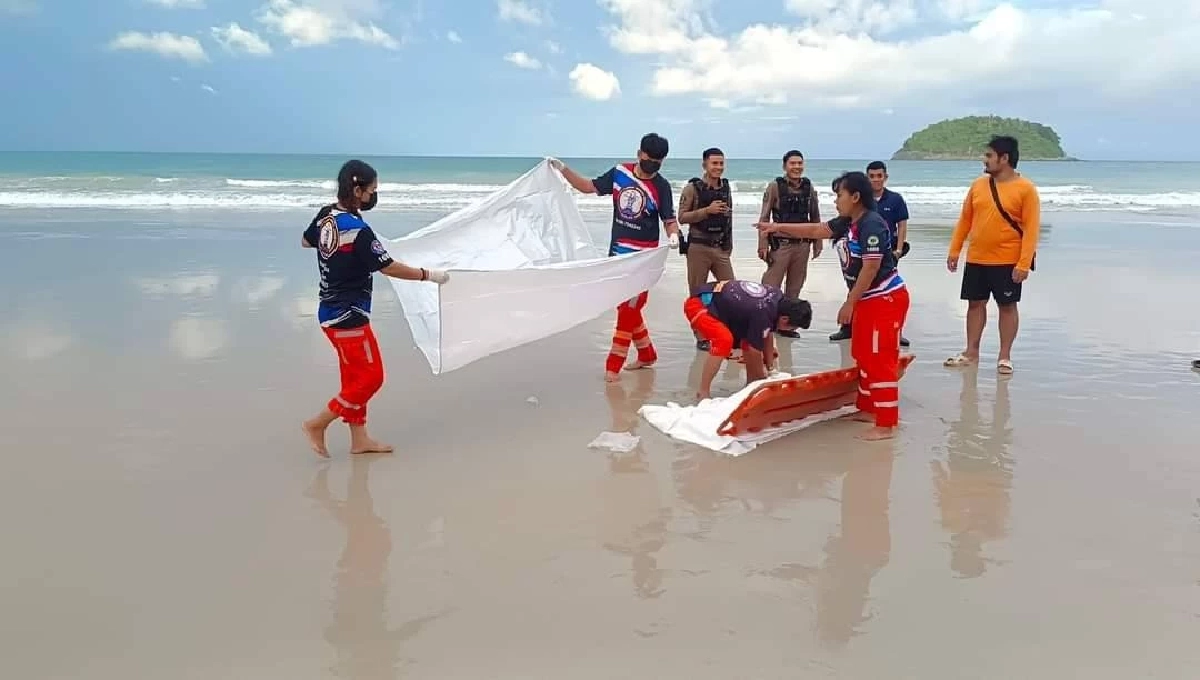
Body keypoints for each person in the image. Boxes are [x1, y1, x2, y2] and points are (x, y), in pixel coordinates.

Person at [300, 159, 449, 458]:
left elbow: (307, 241)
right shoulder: (358, 230)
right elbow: (388, 267)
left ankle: (360, 439)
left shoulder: (326, 215)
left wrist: (337, 254)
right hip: (348, 316)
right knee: (371, 378)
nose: (374, 196)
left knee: (354, 379)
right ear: (358, 190)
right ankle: (317, 424)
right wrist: (428, 275)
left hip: (328, 311)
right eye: (372, 190)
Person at [755, 171, 910, 441]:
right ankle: (867, 408)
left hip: (885, 299)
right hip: (867, 299)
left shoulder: (872, 224)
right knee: (862, 353)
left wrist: (849, 303)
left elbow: (871, 268)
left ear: (855, 197)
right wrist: (776, 228)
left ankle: (886, 423)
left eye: (839, 195)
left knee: (879, 358)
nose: (836, 201)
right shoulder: (848, 222)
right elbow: (817, 230)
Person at [551, 133, 681, 382]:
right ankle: (647, 354)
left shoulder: (661, 186)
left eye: (658, 161)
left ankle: (613, 365)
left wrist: (673, 235)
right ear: (639, 154)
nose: (653, 164)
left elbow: (669, 220)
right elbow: (588, 187)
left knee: (629, 310)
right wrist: (563, 169)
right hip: (618, 255)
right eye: (649, 159)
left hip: (644, 260)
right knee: (625, 306)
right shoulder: (620, 173)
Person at [944, 135, 1041, 375]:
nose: (984, 160)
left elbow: (1031, 229)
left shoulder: (1026, 189)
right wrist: (955, 250)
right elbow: (965, 219)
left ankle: (1004, 356)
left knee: (1007, 306)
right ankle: (971, 352)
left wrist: (1024, 263)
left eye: (989, 155)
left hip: (1007, 260)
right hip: (977, 257)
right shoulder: (978, 185)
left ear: (1004, 158)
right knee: (974, 304)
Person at [685, 279, 813, 401]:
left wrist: (771, 370)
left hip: (717, 302)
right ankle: (703, 392)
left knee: (766, 351)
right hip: (699, 305)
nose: (790, 330)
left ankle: (752, 382)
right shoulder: (763, 312)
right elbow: (752, 349)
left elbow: (767, 334)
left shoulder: (777, 300)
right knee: (724, 340)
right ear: (784, 319)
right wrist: (759, 381)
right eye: (792, 328)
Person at [830, 160, 912, 347]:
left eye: (879, 176)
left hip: (883, 260)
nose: (876, 179)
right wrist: (776, 227)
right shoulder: (852, 215)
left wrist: (898, 250)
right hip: (864, 266)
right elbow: (819, 229)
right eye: (872, 176)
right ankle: (850, 328)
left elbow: (901, 225)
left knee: (876, 281)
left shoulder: (888, 205)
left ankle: (893, 332)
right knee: (859, 286)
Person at [757, 150, 822, 337]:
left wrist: (818, 242)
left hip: (802, 245)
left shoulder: (808, 187)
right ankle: (765, 322)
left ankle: (787, 325)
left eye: (800, 163)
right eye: (793, 163)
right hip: (781, 245)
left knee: (795, 287)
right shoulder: (775, 187)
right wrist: (762, 244)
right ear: (785, 166)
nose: (797, 167)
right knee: (770, 287)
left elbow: (815, 217)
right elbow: (764, 217)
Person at [677, 147, 735, 351]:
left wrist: (728, 246)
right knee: (697, 294)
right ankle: (701, 336)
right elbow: (682, 217)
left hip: (719, 247)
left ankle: (729, 331)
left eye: (721, 163)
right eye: (714, 163)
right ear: (705, 165)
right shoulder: (692, 188)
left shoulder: (726, 187)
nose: (718, 167)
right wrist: (707, 211)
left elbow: (729, 218)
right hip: (698, 247)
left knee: (730, 291)